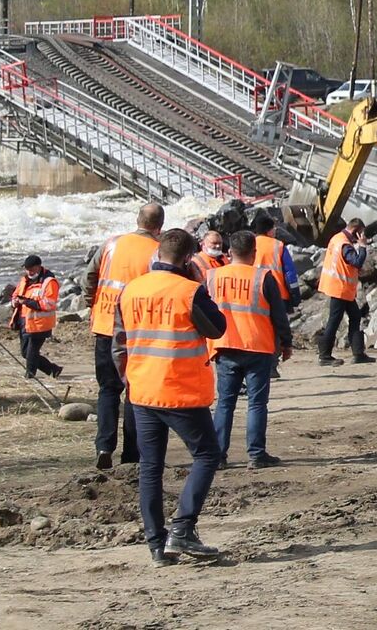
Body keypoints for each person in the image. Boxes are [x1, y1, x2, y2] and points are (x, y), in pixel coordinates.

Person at [114, 228, 227, 566]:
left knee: (150, 466)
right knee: (207, 454)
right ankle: (183, 527)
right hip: (180, 390)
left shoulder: (132, 290)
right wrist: (197, 285)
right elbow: (217, 328)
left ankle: (155, 544)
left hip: (142, 390)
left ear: (157, 254)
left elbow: (118, 344)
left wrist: (130, 379)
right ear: (190, 258)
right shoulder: (190, 291)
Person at [87, 202, 164, 470]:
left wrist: (91, 303)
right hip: (137, 331)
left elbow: (91, 275)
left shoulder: (112, 243)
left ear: (137, 219)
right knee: (135, 392)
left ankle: (104, 445)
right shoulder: (157, 251)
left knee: (108, 390)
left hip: (105, 325)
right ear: (159, 227)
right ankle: (131, 454)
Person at [210, 230, 292, 469]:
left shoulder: (213, 276)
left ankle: (218, 456)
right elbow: (279, 315)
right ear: (254, 253)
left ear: (229, 253)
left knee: (225, 403)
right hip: (257, 347)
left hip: (225, 346)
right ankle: (256, 454)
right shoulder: (263, 278)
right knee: (256, 403)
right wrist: (286, 343)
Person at [314, 219, 372, 366]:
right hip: (340, 288)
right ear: (355, 231)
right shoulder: (345, 245)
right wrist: (363, 246)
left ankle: (358, 353)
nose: (362, 236)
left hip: (339, 287)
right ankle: (325, 356)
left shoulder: (337, 238)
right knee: (334, 321)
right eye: (361, 233)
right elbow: (356, 262)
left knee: (355, 316)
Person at [11, 255, 63, 379]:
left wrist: (27, 302)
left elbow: (49, 304)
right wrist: (15, 302)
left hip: (40, 324)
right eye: (27, 269)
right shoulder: (24, 280)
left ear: (39, 267)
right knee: (25, 353)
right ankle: (53, 369)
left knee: (32, 352)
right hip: (24, 322)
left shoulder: (49, 282)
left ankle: (30, 375)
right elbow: (15, 295)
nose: (29, 272)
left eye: (31, 269)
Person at [250, 212, 300, 304]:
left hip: (256, 295)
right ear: (268, 231)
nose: (275, 229)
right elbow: (290, 272)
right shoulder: (278, 245)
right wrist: (295, 293)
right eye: (273, 228)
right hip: (278, 294)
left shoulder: (249, 246)